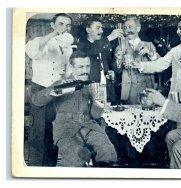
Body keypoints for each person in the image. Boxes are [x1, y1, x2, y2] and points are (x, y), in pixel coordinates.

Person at [31, 51, 117, 167]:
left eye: (87, 66)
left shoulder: (90, 85)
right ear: (71, 67)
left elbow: (95, 115)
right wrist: (54, 92)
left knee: (108, 152)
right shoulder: (61, 83)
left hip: (89, 126)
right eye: (81, 67)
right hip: (66, 128)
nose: (85, 70)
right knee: (77, 156)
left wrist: (99, 104)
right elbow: (36, 100)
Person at [25, 13, 74, 166]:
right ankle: (35, 167)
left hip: (58, 91)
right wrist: (54, 34)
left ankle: (50, 167)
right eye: (60, 24)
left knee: (55, 129)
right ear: (52, 25)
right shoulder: (41, 42)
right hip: (40, 89)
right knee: (39, 131)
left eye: (67, 25)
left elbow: (67, 70)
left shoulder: (68, 48)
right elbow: (31, 51)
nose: (64, 28)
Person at [76, 16, 124, 105]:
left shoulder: (106, 45)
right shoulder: (81, 45)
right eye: (98, 28)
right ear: (88, 30)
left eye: (102, 28)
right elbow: (91, 51)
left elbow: (115, 68)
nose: (101, 31)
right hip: (89, 90)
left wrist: (117, 60)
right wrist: (109, 38)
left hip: (107, 90)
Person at [113, 17, 159, 104]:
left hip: (147, 87)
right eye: (125, 28)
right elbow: (116, 70)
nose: (127, 30)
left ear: (138, 28)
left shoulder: (149, 45)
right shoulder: (119, 47)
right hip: (129, 90)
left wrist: (150, 53)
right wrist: (118, 60)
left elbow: (159, 64)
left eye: (130, 27)